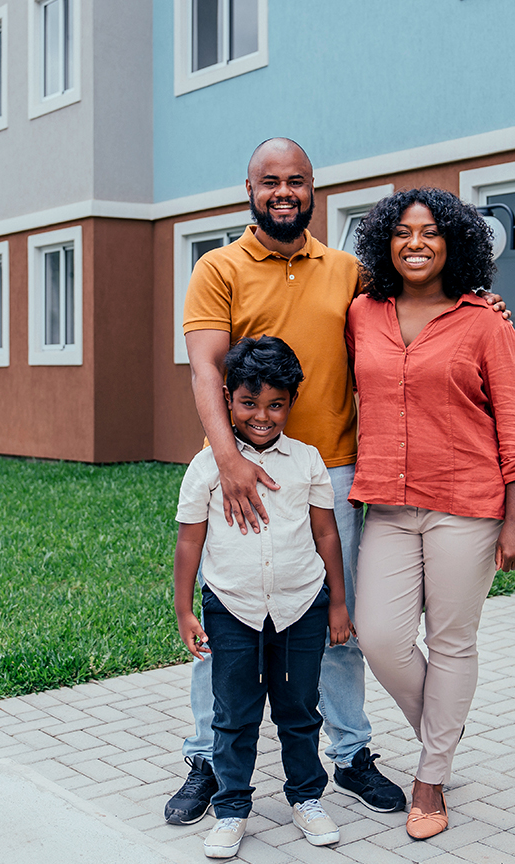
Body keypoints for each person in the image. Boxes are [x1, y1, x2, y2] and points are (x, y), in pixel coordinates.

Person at [167, 138, 407, 824]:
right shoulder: (217, 267)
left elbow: (413, 311)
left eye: (296, 181)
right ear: (247, 187)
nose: (283, 192)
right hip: (242, 469)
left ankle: (352, 755)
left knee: (337, 620)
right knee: (228, 622)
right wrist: (229, 460)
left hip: (330, 468)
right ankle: (208, 760)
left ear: (313, 190)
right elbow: (206, 370)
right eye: (269, 181)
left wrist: (483, 304)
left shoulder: (346, 269)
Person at [345, 188, 515, 840]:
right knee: (380, 638)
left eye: (431, 232)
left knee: (453, 642)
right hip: (391, 508)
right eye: (403, 232)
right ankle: (442, 737)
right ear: (385, 244)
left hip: (467, 506)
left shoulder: (484, 321)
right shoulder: (361, 314)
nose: (417, 243)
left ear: (453, 242)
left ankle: (430, 781)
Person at [173, 336, 353, 858]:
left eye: (275, 404)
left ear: (291, 403)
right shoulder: (207, 467)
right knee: (234, 714)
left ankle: (306, 798)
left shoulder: (308, 461)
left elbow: (326, 535)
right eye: (249, 403)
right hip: (231, 609)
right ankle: (231, 808)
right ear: (227, 398)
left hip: (301, 605)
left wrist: (338, 602)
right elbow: (190, 540)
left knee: (300, 710)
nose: (262, 415)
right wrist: (186, 609)